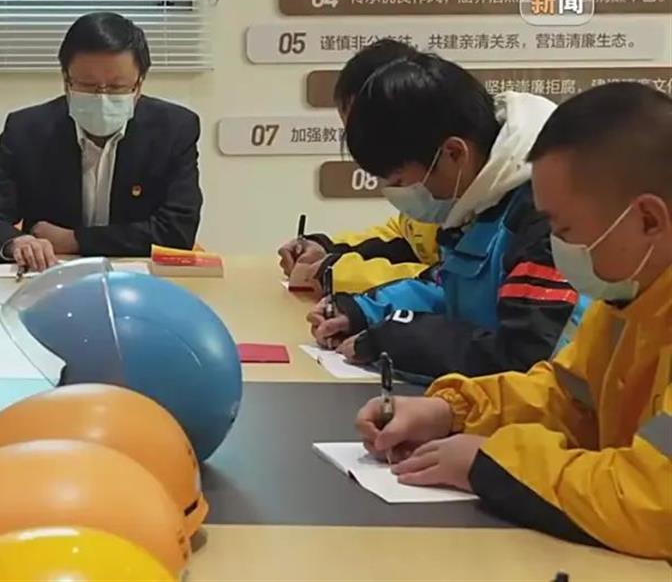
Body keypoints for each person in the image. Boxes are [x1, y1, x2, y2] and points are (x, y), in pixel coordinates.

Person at [354, 82, 672, 559]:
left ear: (648, 219)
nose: (557, 248)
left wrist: (491, 463)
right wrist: (451, 411)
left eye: (564, 229)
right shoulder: (632, 297)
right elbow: (567, 395)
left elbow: (653, 503)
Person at [311, 52, 583, 381]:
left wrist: (397, 341)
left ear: (453, 153)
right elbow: (452, 290)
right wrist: (363, 311)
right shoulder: (480, 200)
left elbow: (522, 360)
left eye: (400, 182)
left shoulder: (547, 217)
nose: (397, 195)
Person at [0, 11, 203, 271]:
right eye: (87, 85)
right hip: (50, 280)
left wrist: (74, 240)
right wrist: (16, 243)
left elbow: (177, 231)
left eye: (116, 87)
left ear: (139, 84)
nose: (102, 97)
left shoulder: (174, 129)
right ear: (66, 81)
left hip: (140, 282)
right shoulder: (27, 130)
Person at [277, 39, 441, 294]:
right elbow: (404, 238)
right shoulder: (426, 190)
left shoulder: (482, 200)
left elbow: (449, 283)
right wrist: (327, 249)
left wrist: (336, 273)